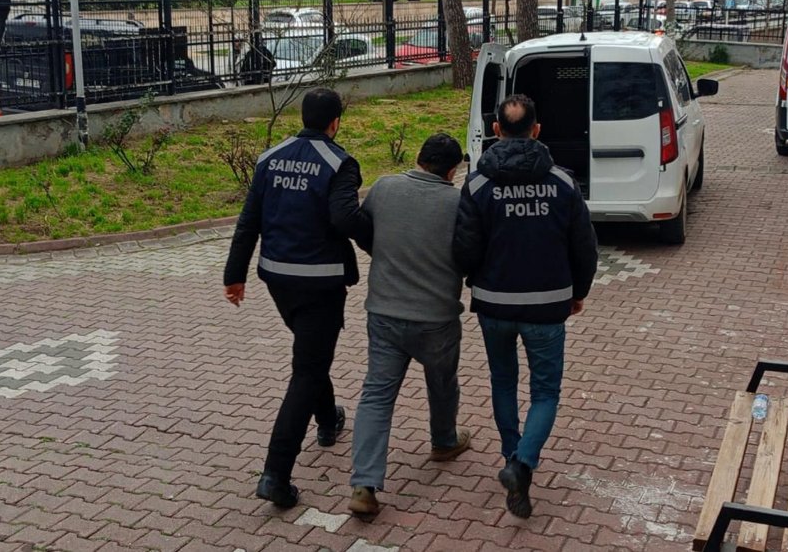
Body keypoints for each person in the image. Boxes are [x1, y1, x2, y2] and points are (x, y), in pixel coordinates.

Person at [453, 94, 598, 519]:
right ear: (537, 130)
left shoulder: (477, 184)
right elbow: (584, 248)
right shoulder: (563, 183)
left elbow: (463, 249)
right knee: (546, 391)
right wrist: (578, 291)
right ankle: (522, 465)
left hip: (494, 304)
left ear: (496, 131)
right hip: (547, 306)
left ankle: (510, 455)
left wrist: (477, 278)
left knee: (503, 380)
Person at [223, 88, 364, 509]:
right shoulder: (340, 162)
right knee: (307, 370)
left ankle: (327, 420)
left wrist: (235, 276)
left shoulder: (270, 157)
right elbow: (344, 218)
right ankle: (275, 475)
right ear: (335, 122)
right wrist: (381, 241)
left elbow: (249, 221)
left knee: (310, 356)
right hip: (319, 283)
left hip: (277, 279)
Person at [347, 134, 474, 518]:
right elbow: (469, 254)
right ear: (453, 171)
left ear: (418, 157)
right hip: (437, 316)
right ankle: (444, 440)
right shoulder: (459, 202)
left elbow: (367, 233)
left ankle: (364, 484)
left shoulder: (384, 187)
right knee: (442, 381)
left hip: (384, 313)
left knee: (376, 394)